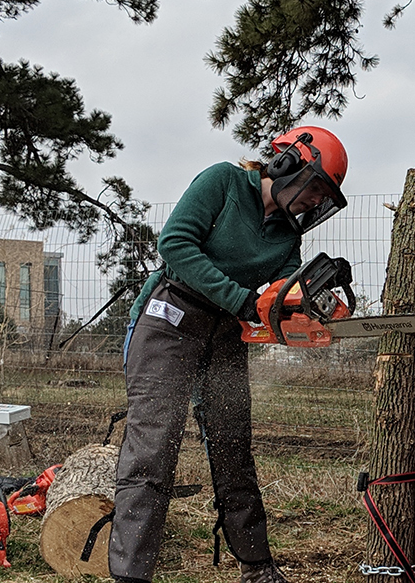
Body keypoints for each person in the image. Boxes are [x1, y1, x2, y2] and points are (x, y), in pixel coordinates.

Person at [110, 126, 349, 583]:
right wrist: (239, 298)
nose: (313, 200)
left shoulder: (286, 237)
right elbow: (175, 244)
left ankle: (256, 566)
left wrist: (310, 306)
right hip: (171, 318)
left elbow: (279, 295)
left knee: (232, 444)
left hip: (225, 334)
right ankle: (131, 574)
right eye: (313, 186)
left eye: (323, 195)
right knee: (154, 445)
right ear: (286, 164)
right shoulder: (222, 182)